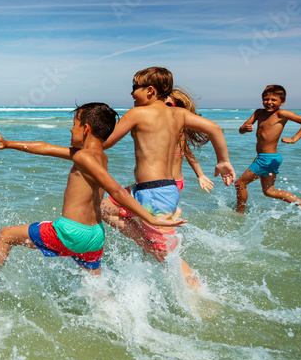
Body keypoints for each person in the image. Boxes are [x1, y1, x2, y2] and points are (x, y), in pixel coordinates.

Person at [0, 102, 187, 291]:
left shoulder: (84, 157)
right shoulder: (99, 156)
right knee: (95, 290)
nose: (70, 129)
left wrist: (149, 218)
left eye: (74, 125)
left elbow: (117, 191)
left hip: (71, 232)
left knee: (5, 235)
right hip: (94, 237)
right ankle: (110, 313)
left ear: (85, 129)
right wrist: (9, 143)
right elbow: (45, 148)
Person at [101, 67, 235, 288]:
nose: (132, 94)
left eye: (135, 88)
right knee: (105, 206)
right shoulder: (179, 114)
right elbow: (215, 129)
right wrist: (223, 161)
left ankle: (198, 293)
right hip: (154, 188)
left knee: (168, 256)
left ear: (150, 90)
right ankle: (149, 244)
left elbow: (106, 143)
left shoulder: (136, 114)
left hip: (153, 192)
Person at [235, 84, 301, 214]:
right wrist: (244, 129)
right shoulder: (258, 113)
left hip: (268, 158)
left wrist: (294, 138)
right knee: (269, 191)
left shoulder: (282, 113)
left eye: (273, 100)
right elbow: (242, 129)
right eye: (266, 99)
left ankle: (239, 213)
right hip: (267, 158)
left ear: (282, 102)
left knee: (240, 183)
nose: (269, 102)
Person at [166, 89, 214, 194]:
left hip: (169, 183)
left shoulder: (179, 133)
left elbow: (189, 155)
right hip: (164, 183)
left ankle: (177, 211)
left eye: (168, 105)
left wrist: (200, 175)